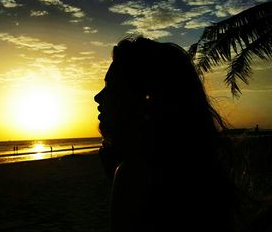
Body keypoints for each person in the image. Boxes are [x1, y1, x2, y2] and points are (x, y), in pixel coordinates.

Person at [95, 36, 235, 231]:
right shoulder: (197, 166)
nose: (98, 97)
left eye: (111, 86)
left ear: (144, 99)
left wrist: (123, 183)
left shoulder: (136, 175)